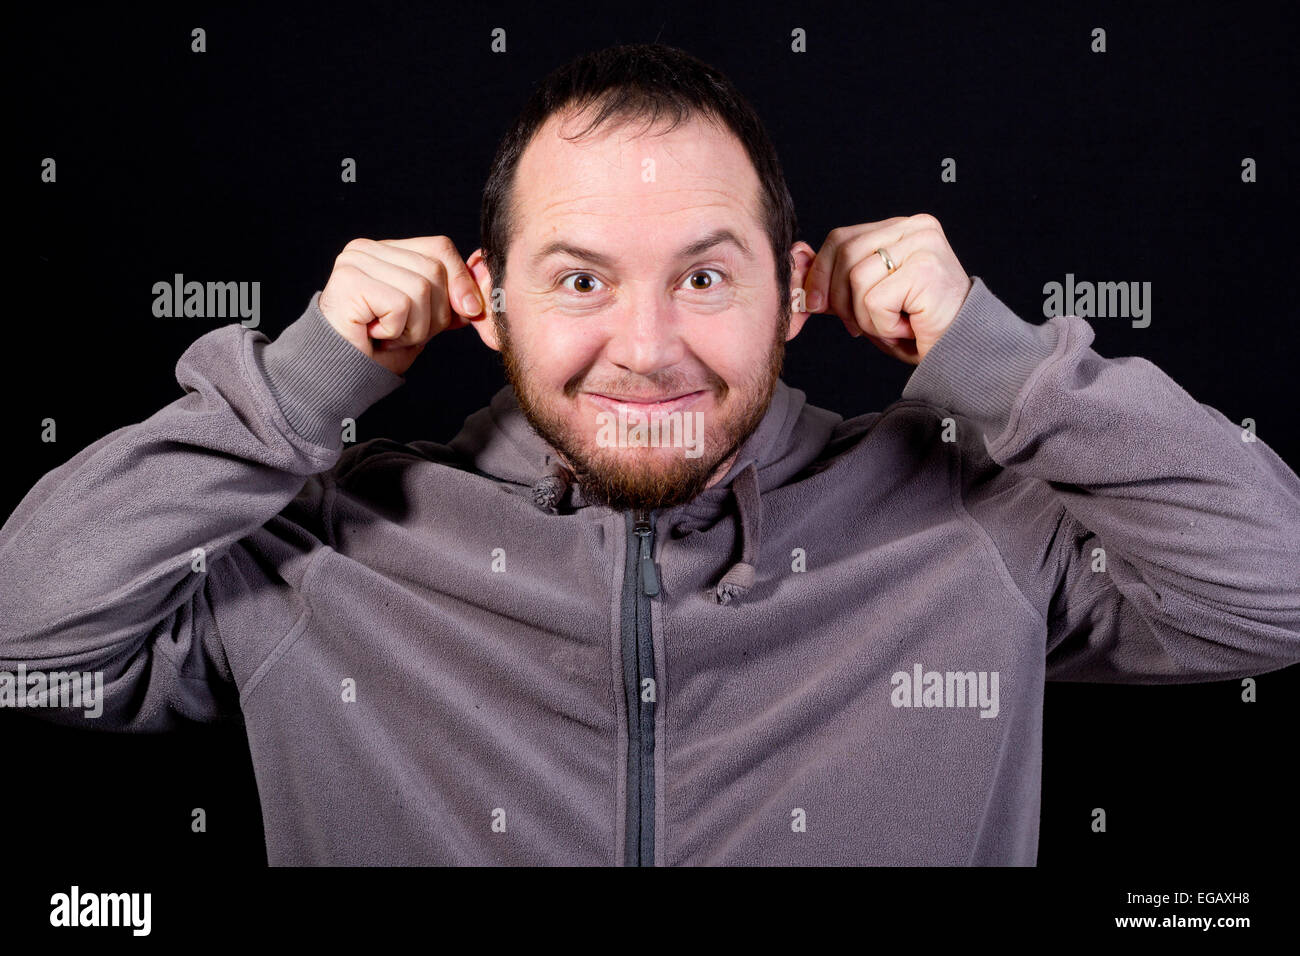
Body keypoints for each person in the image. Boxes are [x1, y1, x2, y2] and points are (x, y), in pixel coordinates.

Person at [2, 42, 1297, 866]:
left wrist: (1000, 364)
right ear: (486, 299)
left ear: (797, 293)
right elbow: (22, 652)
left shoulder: (973, 525)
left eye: (706, 276)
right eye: (578, 279)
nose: (648, 346)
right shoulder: (318, 553)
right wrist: (296, 388)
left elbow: (1280, 591)